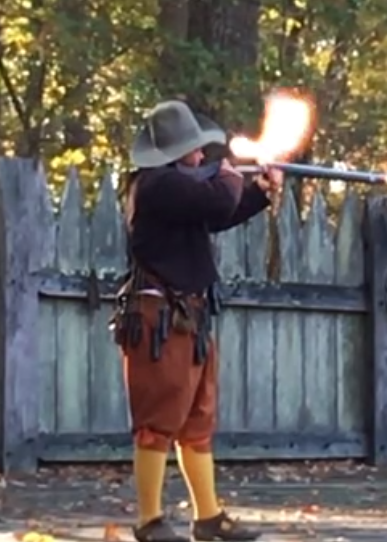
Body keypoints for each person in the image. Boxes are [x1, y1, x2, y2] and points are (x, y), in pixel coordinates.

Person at [111, 100, 281, 542]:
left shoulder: (180, 189)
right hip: (157, 318)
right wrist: (229, 170)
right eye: (192, 149)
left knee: (196, 422)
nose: (198, 155)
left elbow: (219, 213)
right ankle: (148, 520)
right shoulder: (155, 185)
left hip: (189, 316)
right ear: (170, 153)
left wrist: (259, 191)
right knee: (157, 422)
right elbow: (218, 197)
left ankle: (208, 517)